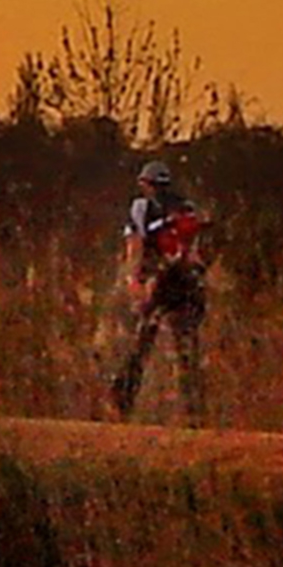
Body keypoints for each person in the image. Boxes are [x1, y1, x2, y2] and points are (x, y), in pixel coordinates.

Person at [104, 154, 210, 420]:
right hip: (187, 282)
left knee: (141, 344)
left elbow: (135, 247)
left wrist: (136, 281)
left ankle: (121, 402)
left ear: (145, 183)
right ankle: (193, 412)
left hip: (160, 282)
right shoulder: (186, 208)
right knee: (186, 349)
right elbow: (195, 253)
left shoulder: (141, 208)